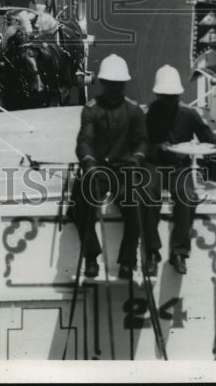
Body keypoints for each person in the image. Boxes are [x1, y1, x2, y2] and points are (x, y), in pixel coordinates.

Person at [141, 66, 216, 275]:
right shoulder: (148, 114)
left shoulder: (189, 114)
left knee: (187, 195)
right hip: (154, 164)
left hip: (179, 166)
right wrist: (155, 147)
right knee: (146, 193)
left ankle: (179, 252)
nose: (169, 100)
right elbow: (139, 143)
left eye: (172, 96)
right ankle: (152, 251)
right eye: (165, 96)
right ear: (158, 95)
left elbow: (208, 137)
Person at [73, 55, 148, 280]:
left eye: (119, 84)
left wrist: (136, 159)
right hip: (98, 170)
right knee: (80, 202)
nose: (115, 89)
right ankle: (91, 257)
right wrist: (88, 162)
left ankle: (128, 260)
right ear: (102, 84)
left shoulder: (134, 111)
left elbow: (142, 141)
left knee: (137, 204)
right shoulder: (91, 110)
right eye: (110, 84)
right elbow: (84, 140)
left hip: (125, 170)